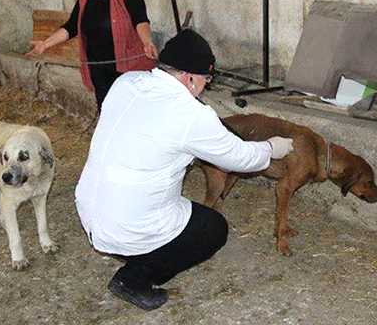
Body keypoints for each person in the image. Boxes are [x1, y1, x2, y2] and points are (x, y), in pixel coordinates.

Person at [74, 29, 294, 310]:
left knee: (175, 203)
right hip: (127, 227)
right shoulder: (191, 114)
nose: (205, 86)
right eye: (206, 80)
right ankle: (135, 277)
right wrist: (271, 148)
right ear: (190, 78)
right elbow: (238, 158)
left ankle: (138, 253)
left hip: (90, 208)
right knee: (212, 228)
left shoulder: (126, 82)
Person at [26, 0, 157, 110]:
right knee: (107, 110)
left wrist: (147, 42)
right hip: (98, 66)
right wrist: (45, 44)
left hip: (127, 65)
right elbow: (70, 27)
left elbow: (140, 19)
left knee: (132, 110)